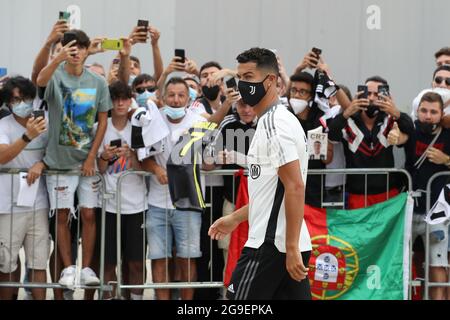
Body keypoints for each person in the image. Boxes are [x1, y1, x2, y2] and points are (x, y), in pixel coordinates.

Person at [209, 48, 312, 300]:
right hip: (285, 244)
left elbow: (295, 187)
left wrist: (289, 249)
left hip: (271, 247)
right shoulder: (274, 120)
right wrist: (235, 218)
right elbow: (271, 191)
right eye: (240, 76)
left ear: (270, 81)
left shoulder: (274, 124)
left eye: (249, 77)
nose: (243, 84)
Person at [36, 29, 112, 288]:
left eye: (80, 47)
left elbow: (102, 121)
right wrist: (56, 58)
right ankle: (68, 267)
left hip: (86, 162)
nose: (75, 51)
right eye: (70, 47)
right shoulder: (56, 76)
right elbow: (40, 79)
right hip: (58, 162)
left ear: (86, 49)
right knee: (62, 215)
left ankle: (87, 268)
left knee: (89, 214)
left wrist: (92, 156)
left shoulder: (98, 82)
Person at [142, 77, 205, 300]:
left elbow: (209, 157)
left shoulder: (199, 120)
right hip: (157, 204)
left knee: (187, 259)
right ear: (163, 97)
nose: (176, 100)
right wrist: (155, 169)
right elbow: (141, 156)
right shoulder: (152, 119)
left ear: (189, 99)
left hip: (188, 203)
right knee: (159, 259)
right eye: (171, 95)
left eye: (181, 95)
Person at [390, 92, 450, 300]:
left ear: (441, 114)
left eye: (433, 112)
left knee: (438, 265)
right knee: (403, 264)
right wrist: (396, 137)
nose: (427, 116)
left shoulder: (448, 134)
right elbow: (400, 136)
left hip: (438, 215)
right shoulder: (412, 130)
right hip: (408, 210)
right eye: (424, 110)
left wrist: (447, 160)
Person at [328, 76, 414, 209]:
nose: (372, 98)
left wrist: (395, 112)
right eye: (368, 93)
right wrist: (348, 111)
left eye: (376, 94)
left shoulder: (390, 119)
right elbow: (332, 135)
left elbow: (411, 131)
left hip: (387, 193)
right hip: (357, 194)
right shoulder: (349, 120)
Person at [95, 81, 147, 300]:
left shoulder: (139, 126)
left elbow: (146, 165)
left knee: (136, 262)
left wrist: (131, 156)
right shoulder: (100, 126)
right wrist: (105, 157)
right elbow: (98, 168)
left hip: (136, 205)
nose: (119, 103)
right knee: (107, 263)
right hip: (107, 204)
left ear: (130, 100)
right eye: (115, 98)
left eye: (124, 98)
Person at [0, 77, 49, 300]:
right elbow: (2, 156)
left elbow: (57, 152)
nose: (22, 103)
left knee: (38, 262)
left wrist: (43, 163)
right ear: (8, 103)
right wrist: (27, 136)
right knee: (7, 264)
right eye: (16, 99)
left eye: (26, 98)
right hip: (8, 206)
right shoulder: (3, 125)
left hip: (38, 203)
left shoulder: (44, 121)